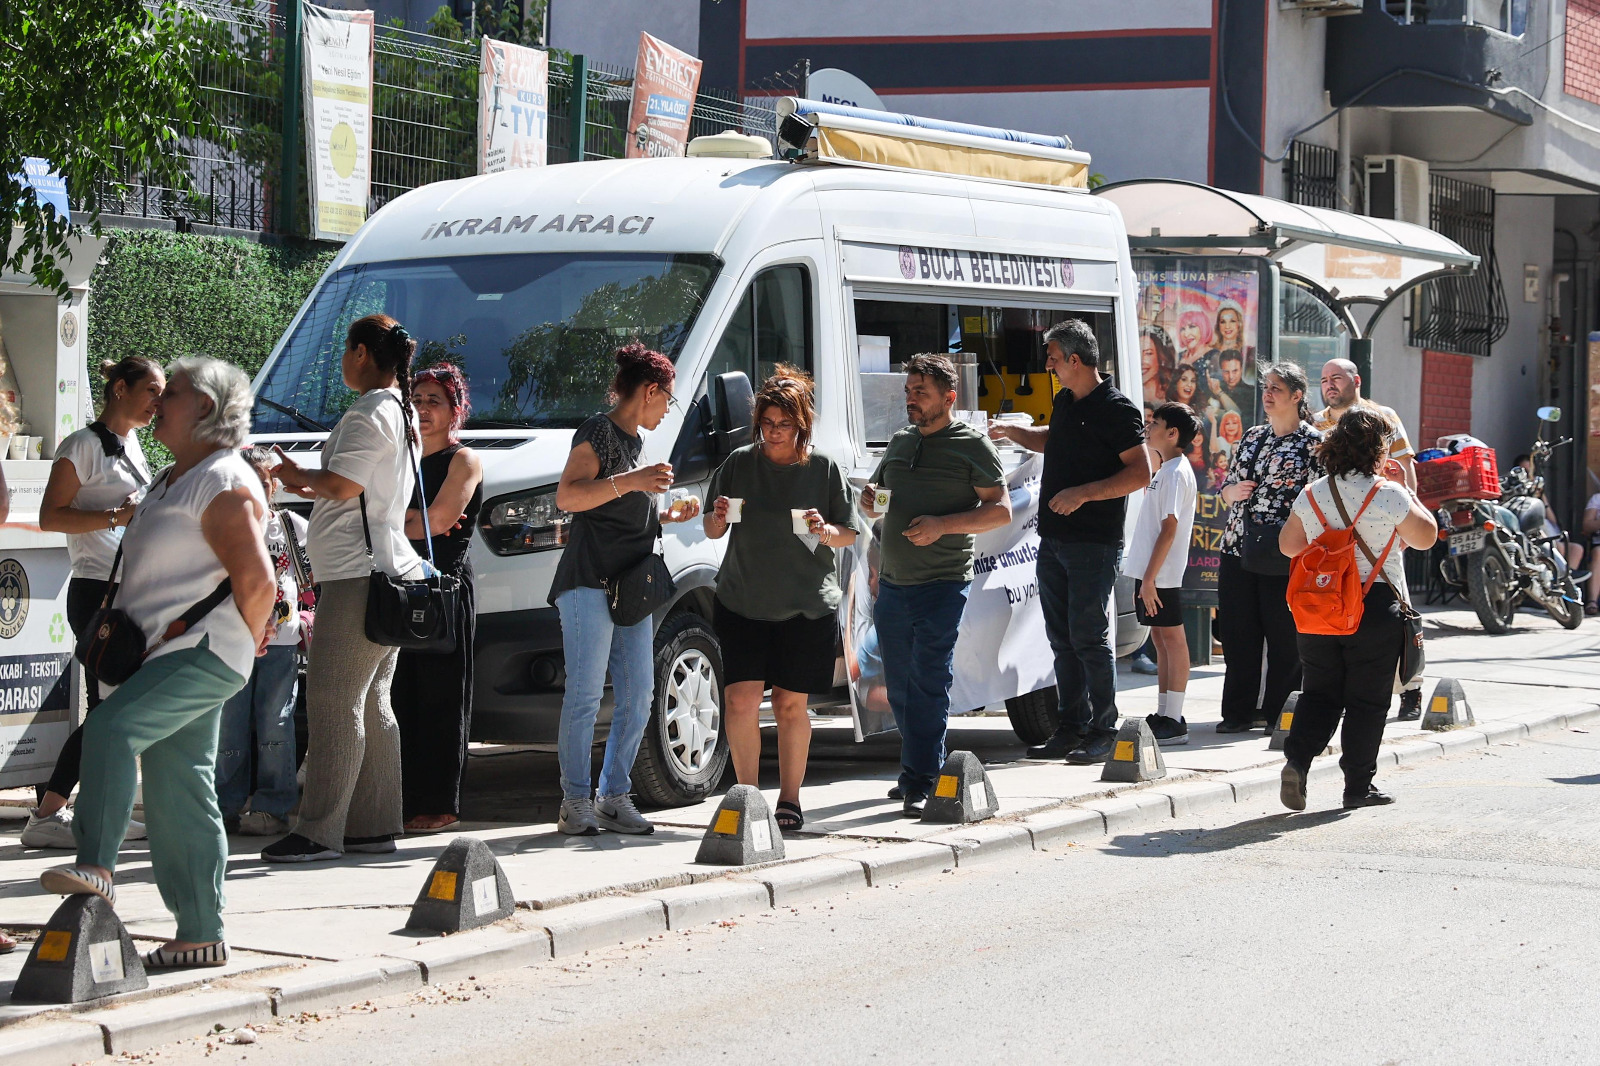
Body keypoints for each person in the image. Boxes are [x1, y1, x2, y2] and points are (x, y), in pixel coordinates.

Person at [38, 357, 275, 969]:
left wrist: (242, 645)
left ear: (204, 408)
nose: (158, 402)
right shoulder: (172, 478)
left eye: (171, 392)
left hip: (202, 652)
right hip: (167, 653)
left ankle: (95, 864)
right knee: (179, 789)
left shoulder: (222, 480)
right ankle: (201, 931)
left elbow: (258, 581)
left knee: (112, 730)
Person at [263, 313, 426, 863]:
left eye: (344, 351)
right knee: (371, 698)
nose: (341, 362)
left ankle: (318, 832)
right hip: (386, 570)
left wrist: (290, 478)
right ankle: (374, 825)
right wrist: (303, 473)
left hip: (358, 573)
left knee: (334, 698)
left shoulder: (370, 411)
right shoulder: (401, 410)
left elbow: (343, 485)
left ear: (360, 353)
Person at [549, 344, 700, 836]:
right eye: (668, 400)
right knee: (586, 695)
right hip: (588, 581)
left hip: (630, 587)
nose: (666, 410)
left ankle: (613, 796)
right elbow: (570, 495)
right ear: (650, 391)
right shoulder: (599, 430)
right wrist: (633, 480)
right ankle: (575, 801)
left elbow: (618, 507)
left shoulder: (635, 444)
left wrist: (666, 513)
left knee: (640, 694)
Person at [703, 367, 860, 832]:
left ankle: (789, 800)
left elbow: (848, 534)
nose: (774, 433)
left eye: (783, 425)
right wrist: (715, 517)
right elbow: (714, 529)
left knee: (792, 705)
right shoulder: (738, 464)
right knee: (740, 702)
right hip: (742, 600)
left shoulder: (824, 469)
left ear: (802, 426)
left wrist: (823, 530)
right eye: (767, 423)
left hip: (805, 606)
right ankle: (748, 797)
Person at [990, 320, 1147, 764]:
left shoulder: (1118, 409)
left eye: (1054, 358)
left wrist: (1083, 494)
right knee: (1061, 637)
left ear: (1075, 360)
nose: (1049, 366)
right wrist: (1012, 432)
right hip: (1054, 540)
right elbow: (1053, 440)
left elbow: (1139, 473)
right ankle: (1071, 725)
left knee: (1089, 637)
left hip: (1094, 542)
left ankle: (1104, 727)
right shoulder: (1065, 400)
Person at [23, 356, 163, 849]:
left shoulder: (132, 443)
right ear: (120, 389)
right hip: (96, 591)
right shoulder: (83, 444)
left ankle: (88, 810)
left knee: (113, 709)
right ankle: (53, 813)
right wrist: (114, 517)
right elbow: (49, 517)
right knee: (109, 711)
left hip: (127, 588)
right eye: (151, 391)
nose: (157, 403)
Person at [863, 354, 1010, 814]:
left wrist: (943, 525)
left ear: (949, 397)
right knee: (902, 686)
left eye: (920, 393)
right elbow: (877, 499)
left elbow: (1001, 510)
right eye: (908, 391)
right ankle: (921, 765)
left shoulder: (972, 445)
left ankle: (922, 778)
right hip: (893, 583)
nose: (911, 400)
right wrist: (870, 503)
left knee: (928, 680)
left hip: (943, 583)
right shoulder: (900, 441)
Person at [1278, 407, 1438, 811]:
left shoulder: (1312, 493)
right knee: (1368, 701)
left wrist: (1327, 540)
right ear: (1378, 450)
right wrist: (1411, 494)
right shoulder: (1389, 493)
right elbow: (1426, 538)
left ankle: (1298, 761)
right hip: (1374, 605)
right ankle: (1356, 787)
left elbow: (1288, 546)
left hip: (1321, 605)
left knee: (1318, 692)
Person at [393, 363, 483, 835]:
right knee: (399, 695)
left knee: (442, 697)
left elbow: (440, 519)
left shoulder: (463, 460)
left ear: (454, 411)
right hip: (396, 585)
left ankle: (440, 803)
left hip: (441, 587)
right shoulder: (397, 457)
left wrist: (391, 517)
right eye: (418, 399)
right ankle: (400, 800)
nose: (423, 409)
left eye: (434, 401)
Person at [1312, 357, 1424, 718]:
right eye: (1325, 379)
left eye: (1337, 378)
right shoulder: (1315, 424)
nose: (1330, 385)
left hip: (1382, 522)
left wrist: (1410, 518)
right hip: (1336, 531)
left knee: (1398, 605)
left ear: (1355, 380)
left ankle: (1411, 686)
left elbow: (1405, 469)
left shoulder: (1383, 416)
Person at [1216, 362, 1322, 733]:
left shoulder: (1314, 443)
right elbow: (1227, 485)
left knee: (1283, 637)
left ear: (1297, 396)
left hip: (1286, 551)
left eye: (1277, 388)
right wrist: (1231, 492)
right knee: (1237, 633)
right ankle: (1237, 713)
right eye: (1266, 386)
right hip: (1237, 546)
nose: (1268, 393)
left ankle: (1280, 714)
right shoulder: (1252, 436)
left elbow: (1320, 499)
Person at [215, 448, 308, 837]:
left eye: (266, 480)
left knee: (276, 723)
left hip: (282, 641)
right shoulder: (224, 527)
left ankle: (273, 805)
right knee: (229, 726)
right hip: (233, 637)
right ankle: (225, 805)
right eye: (251, 479)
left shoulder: (290, 526)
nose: (261, 487)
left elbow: (310, 576)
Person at [1123, 402, 1200, 745]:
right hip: (1150, 571)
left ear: (1173, 434)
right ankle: (1164, 712)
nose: (1148, 427)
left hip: (1162, 574)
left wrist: (1151, 578)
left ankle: (1175, 717)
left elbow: (1170, 529)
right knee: (1159, 639)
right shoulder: (1165, 469)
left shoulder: (1175, 472)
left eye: (1155, 423)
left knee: (1172, 639)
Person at [1218, 350, 1254, 418]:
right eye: (1226, 372)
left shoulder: (1251, 393)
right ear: (1221, 371)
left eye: (1235, 371)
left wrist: (1219, 392)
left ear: (1241, 370)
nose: (1231, 376)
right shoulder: (1214, 389)